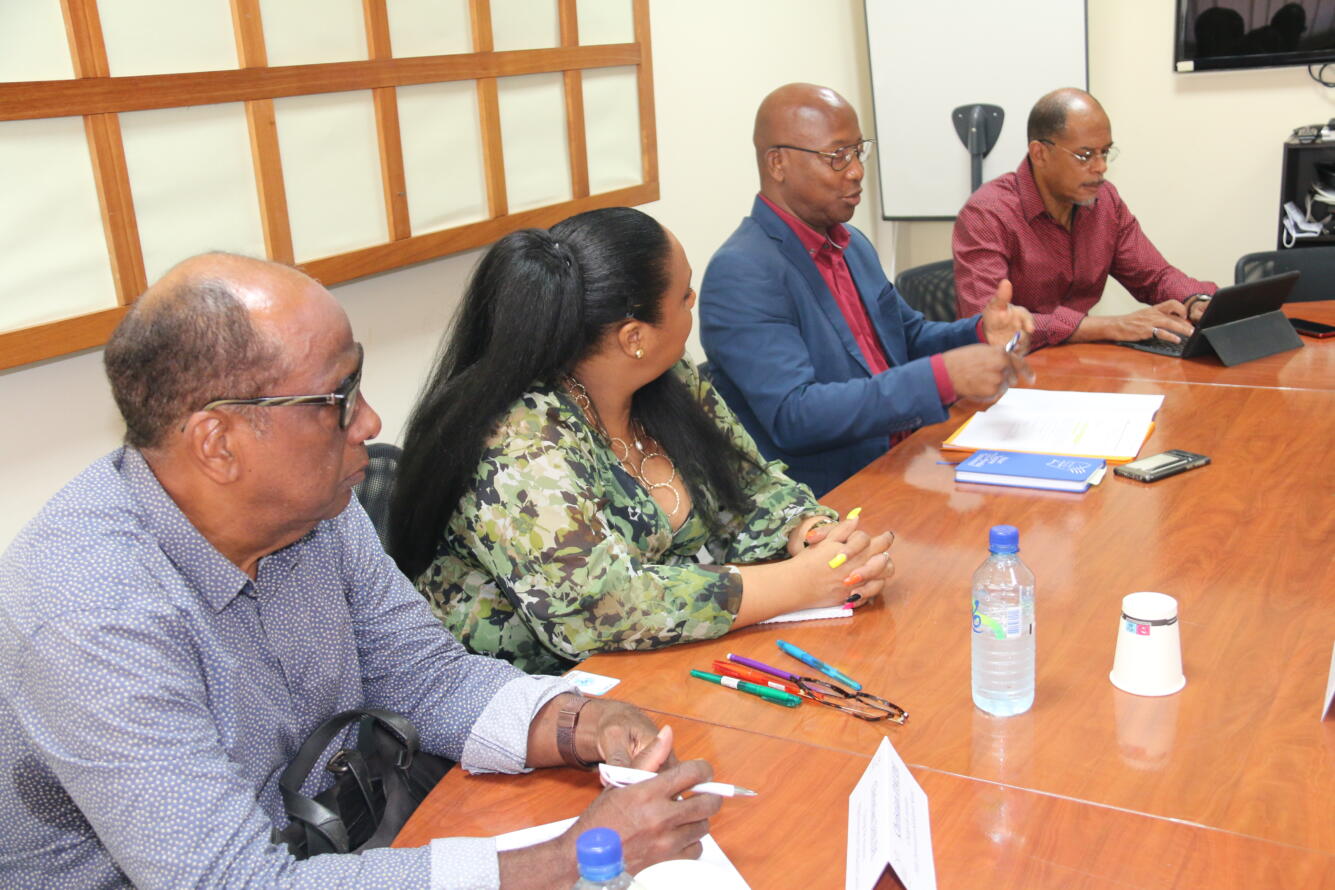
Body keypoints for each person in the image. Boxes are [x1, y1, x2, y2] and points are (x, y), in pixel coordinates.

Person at [0, 253, 721, 889]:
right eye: (337, 399)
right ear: (218, 443)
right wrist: (564, 861)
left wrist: (582, 723)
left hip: (335, 841)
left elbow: (426, 677)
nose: (370, 423)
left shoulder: (313, 509)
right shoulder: (90, 612)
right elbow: (232, 881)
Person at [388, 207, 895, 676]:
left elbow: (751, 488)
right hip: (530, 702)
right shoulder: (517, 442)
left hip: (661, 666)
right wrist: (798, 583)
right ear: (634, 337)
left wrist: (813, 537)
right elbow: (602, 609)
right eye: (684, 297)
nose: (693, 305)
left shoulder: (669, 377)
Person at [698, 83, 1035, 496]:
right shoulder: (742, 271)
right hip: (833, 496)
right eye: (837, 156)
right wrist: (942, 378)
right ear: (778, 163)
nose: (857, 170)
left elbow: (907, 338)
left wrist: (980, 332)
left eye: (858, 151)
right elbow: (795, 415)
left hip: (908, 457)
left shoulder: (851, 243)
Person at [953, 88, 1217, 350]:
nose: (1101, 166)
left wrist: (1196, 300)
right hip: (1009, 366)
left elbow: (1154, 276)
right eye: (1085, 155)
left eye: (1105, 152)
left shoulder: (1105, 201)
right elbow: (990, 325)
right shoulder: (987, 213)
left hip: (1080, 361)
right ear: (1039, 154)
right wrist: (1112, 326)